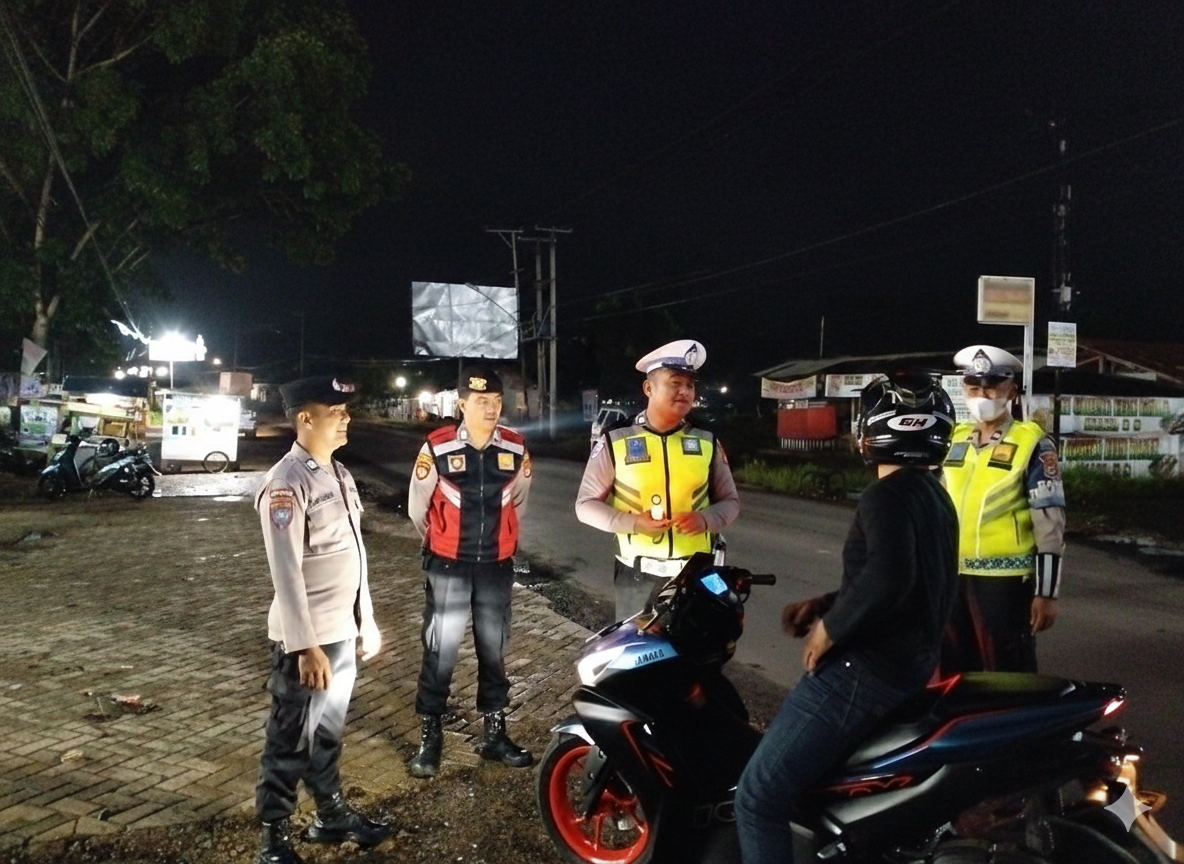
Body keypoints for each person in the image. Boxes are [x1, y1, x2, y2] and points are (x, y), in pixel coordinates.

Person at [734, 373, 959, 864]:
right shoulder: (934, 494)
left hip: (865, 671)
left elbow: (889, 578)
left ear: (870, 430)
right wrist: (826, 603)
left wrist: (830, 629)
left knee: (757, 798)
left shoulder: (885, 495)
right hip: (907, 666)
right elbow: (907, 578)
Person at [253, 376, 388, 864]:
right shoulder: (286, 483)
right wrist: (304, 646)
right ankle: (274, 838)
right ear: (306, 418)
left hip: (341, 633)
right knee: (289, 738)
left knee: (327, 732)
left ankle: (331, 816)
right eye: (335, 410)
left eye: (346, 410)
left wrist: (366, 620)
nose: (346, 417)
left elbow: (356, 557)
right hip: (308, 643)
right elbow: (286, 572)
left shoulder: (339, 474)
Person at [406, 365, 533, 778]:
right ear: (462, 404)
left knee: (494, 650)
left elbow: (519, 503)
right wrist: (444, 540)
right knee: (440, 651)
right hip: (449, 566)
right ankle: (431, 738)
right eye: (481, 401)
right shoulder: (437, 445)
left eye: (496, 401)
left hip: (496, 566)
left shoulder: (515, 446)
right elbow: (418, 509)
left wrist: (502, 538)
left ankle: (495, 734)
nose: (491, 408)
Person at [575, 339, 740, 620]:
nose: (685, 391)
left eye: (689, 385)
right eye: (675, 383)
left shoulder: (706, 440)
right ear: (649, 388)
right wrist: (633, 523)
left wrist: (705, 519)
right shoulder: (616, 440)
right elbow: (585, 505)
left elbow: (730, 502)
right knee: (640, 649)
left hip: (698, 574)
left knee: (702, 646)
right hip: (638, 577)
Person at [940, 345, 1066, 674]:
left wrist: (1046, 592)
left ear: (1011, 391)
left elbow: (1050, 522)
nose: (982, 395)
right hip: (952, 578)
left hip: (1004, 583)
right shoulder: (954, 440)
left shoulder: (1032, 443)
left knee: (1008, 671)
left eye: (992, 386)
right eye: (974, 387)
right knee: (954, 670)